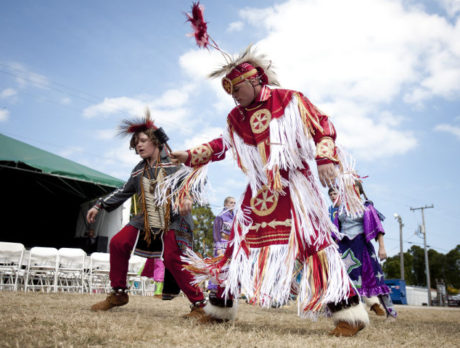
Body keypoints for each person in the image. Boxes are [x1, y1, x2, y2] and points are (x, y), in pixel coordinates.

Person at [168, 46, 369, 336]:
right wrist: (189, 155)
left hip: (294, 187)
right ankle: (220, 309)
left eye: (236, 88)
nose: (234, 95)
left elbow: (322, 126)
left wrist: (325, 158)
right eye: (229, 92)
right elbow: (223, 145)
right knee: (236, 245)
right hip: (259, 191)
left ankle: (349, 314)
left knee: (313, 244)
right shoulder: (236, 118)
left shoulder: (289, 100)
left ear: (254, 80)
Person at [88, 110, 207, 314]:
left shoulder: (173, 162)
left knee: (172, 257)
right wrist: (99, 205)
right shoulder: (138, 170)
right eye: (136, 143)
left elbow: (196, 179)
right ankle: (118, 293)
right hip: (147, 217)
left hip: (175, 218)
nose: (139, 145)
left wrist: (188, 197)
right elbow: (124, 191)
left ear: (156, 141)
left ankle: (200, 305)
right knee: (118, 242)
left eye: (143, 140)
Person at [328, 184, 397, 319]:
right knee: (343, 280)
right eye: (347, 188)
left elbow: (378, 228)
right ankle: (345, 314)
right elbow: (336, 230)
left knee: (375, 280)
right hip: (345, 248)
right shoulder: (341, 208)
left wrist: (381, 247)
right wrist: (331, 247)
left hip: (362, 246)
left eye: (353, 187)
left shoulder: (366, 206)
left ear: (359, 190)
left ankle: (391, 312)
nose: (350, 191)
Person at [207, 196, 235, 292]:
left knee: (228, 267)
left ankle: (224, 288)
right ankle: (213, 288)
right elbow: (216, 233)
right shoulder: (220, 216)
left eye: (234, 203)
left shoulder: (234, 218)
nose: (233, 205)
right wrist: (218, 248)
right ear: (225, 204)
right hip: (221, 243)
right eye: (231, 202)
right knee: (218, 265)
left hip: (230, 245)